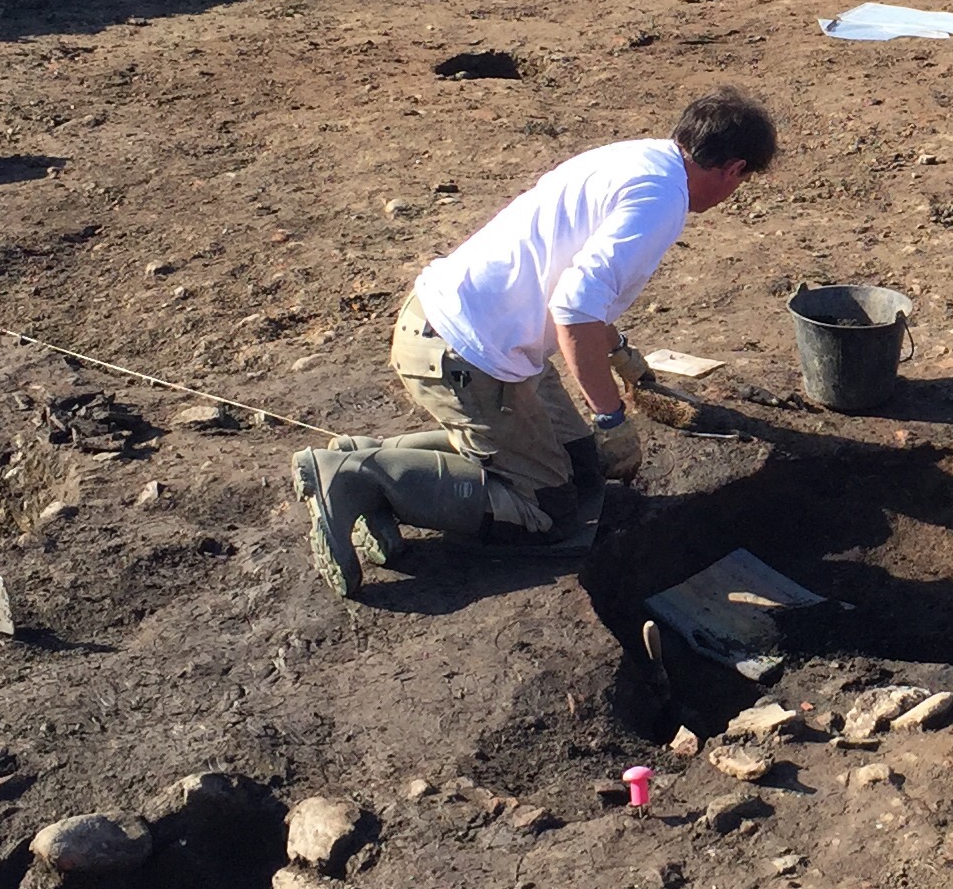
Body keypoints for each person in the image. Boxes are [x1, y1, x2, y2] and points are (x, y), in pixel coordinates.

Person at [289, 90, 778, 595]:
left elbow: (577, 283)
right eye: (742, 181)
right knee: (545, 513)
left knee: (582, 473)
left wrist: (620, 352)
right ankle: (359, 478)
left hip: (481, 331)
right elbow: (573, 310)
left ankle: (370, 457)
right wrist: (610, 417)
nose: (734, 192)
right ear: (733, 168)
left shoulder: (638, 158)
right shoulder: (661, 200)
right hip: (465, 353)